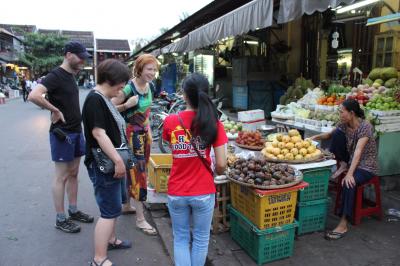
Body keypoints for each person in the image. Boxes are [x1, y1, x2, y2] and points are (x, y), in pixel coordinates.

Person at [162, 73, 228, 266]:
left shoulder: (171, 121)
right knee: (200, 240)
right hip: (203, 191)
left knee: (181, 238)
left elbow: (170, 145)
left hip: (177, 190)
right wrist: (219, 172)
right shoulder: (215, 123)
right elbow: (222, 164)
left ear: (184, 95)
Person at [28, 41, 94, 233]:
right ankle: (60, 218)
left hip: (76, 131)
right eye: (79, 56)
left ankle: (73, 211)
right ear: (67, 55)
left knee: (73, 173)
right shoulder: (55, 75)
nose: (83, 60)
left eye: (84, 57)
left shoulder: (71, 75)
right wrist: (54, 109)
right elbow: (34, 95)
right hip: (62, 134)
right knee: (61, 176)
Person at [82, 59, 132, 266]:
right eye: (121, 83)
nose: (122, 88)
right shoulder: (95, 100)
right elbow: (98, 134)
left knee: (113, 208)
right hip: (105, 164)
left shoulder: (103, 99)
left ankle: (111, 240)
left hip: (111, 163)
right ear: (111, 80)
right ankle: (99, 258)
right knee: (108, 212)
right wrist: (118, 160)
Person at [310, 99, 378, 240]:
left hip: (366, 165)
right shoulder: (344, 124)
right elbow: (329, 135)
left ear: (351, 113)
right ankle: (343, 164)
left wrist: (350, 174)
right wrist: (312, 138)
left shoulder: (365, 127)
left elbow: (358, 151)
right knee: (336, 134)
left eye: (342, 112)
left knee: (349, 183)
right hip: (351, 159)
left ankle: (343, 223)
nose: (340, 114)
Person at [111, 53, 158, 235]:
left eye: (154, 69)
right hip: (132, 136)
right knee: (139, 174)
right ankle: (140, 219)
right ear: (139, 68)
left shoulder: (149, 86)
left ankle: (126, 205)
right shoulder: (129, 88)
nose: (152, 73)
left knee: (136, 171)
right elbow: (108, 105)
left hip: (144, 135)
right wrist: (126, 105)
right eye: (149, 69)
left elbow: (147, 113)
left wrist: (150, 133)